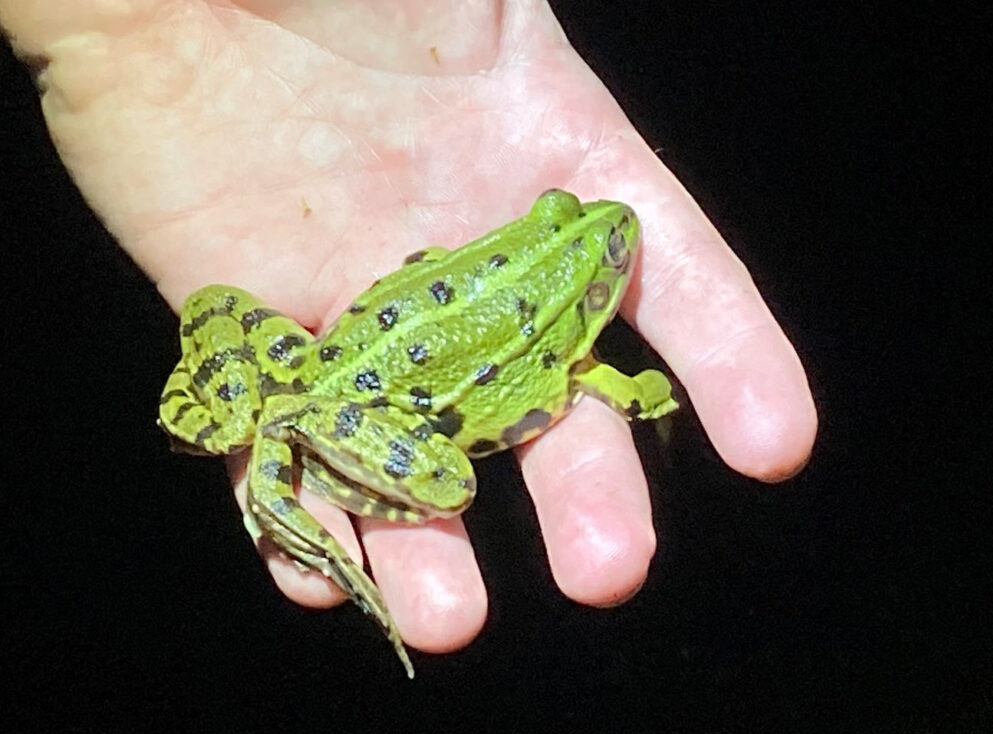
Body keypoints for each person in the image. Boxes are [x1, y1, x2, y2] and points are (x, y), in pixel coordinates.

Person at [1, 0, 816, 655]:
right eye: (566, 223)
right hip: (352, 397)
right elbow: (567, 386)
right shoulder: (567, 357)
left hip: (323, 357)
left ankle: (288, 436)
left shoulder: (523, 280)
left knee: (237, 317)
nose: (608, 232)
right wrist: (641, 392)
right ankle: (298, 453)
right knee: (453, 485)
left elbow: (438, 266)